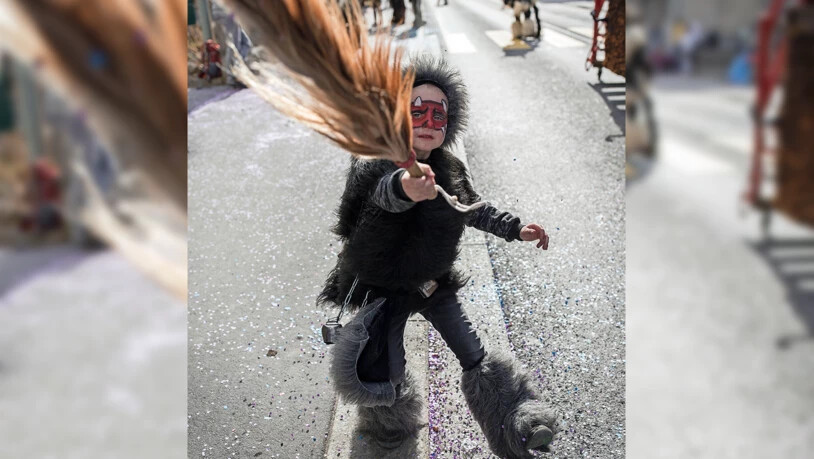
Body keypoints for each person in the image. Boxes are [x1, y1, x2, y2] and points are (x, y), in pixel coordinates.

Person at [319, 55, 558, 457]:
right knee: (385, 372)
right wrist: (404, 188)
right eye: (417, 112)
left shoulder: (448, 167)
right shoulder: (374, 163)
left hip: (432, 283)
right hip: (385, 289)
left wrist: (516, 228)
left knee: (474, 355)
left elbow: (472, 208)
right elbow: (375, 201)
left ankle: (520, 422)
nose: (429, 122)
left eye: (438, 114)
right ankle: (389, 437)